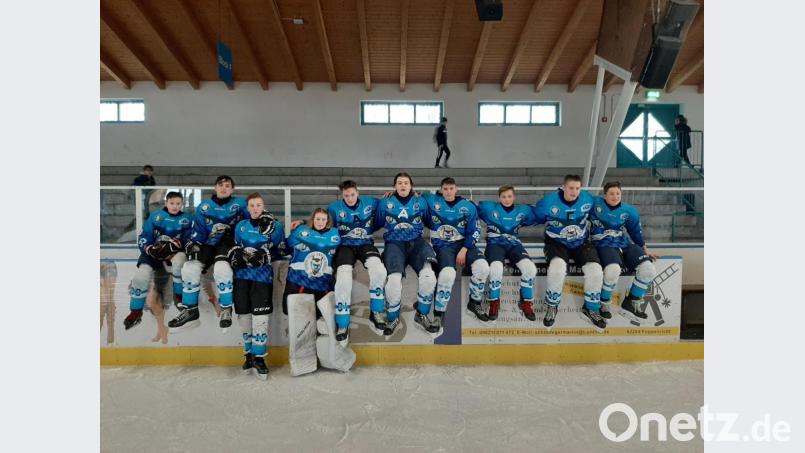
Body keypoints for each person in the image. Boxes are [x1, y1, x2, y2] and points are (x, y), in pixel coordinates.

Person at [169, 176, 248, 331]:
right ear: (215, 188)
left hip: (228, 244)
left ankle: (226, 309)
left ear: (232, 189)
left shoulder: (240, 204)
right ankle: (190, 310)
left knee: (222, 269)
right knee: (189, 268)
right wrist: (193, 243)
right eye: (221, 185)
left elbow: (255, 216)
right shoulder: (204, 206)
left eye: (227, 186)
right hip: (208, 244)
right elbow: (198, 231)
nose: (224, 188)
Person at [533, 175, 605, 330]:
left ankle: (591, 308)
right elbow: (533, 217)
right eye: (571, 188)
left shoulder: (587, 199)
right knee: (557, 269)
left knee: (596, 271)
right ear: (563, 187)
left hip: (581, 243)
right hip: (556, 243)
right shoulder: (548, 202)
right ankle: (552, 305)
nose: (574, 192)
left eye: (577, 188)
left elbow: (599, 214)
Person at [228, 193, 285, 379]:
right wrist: (235, 255)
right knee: (244, 318)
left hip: (262, 278)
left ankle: (260, 357)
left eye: (258, 205)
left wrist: (266, 255)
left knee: (260, 319)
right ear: (247, 207)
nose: (255, 208)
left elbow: (281, 248)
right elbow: (235, 247)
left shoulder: (274, 226)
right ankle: (248, 355)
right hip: (241, 278)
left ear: (263, 206)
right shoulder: (240, 226)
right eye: (252, 205)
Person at [421, 177, 489, 334]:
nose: (448, 192)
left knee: (483, 267)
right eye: (445, 189)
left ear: (456, 189)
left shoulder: (468, 206)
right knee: (447, 274)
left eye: (451, 188)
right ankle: (439, 314)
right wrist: (393, 193)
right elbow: (411, 197)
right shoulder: (432, 200)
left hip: (464, 245)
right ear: (441, 190)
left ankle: (474, 302)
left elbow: (475, 230)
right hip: (443, 245)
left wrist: (465, 249)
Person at [374, 173, 438, 336]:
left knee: (429, 277)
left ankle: (422, 314)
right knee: (393, 282)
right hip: (394, 244)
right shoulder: (385, 203)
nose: (403, 185)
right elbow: (375, 224)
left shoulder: (420, 202)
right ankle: (393, 317)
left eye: (406, 183)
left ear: (411, 186)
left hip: (417, 242)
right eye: (400, 183)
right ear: (394, 186)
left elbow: (431, 222)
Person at [324, 181, 387, 343]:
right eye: (346, 195)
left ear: (357, 192)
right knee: (344, 278)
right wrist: (302, 224)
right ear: (342, 195)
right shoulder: (334, 208)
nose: (350, 198)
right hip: (345, 246)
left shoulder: (371, 202)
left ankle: (376, 311)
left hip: (365, 244)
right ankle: (343, 322)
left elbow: (389, 204)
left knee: (379, 270)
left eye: (352, 194)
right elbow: (321, 222)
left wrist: (394, 195)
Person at [591, 181, 658, 324]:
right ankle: (604, 304)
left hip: (624, 243)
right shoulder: (594, 203)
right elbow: (575, 199)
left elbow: (635, 233)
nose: (615, 196)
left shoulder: (629, 211)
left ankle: (632, 300)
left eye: (618, 193)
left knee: (648, 269)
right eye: (611, 193)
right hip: (603, 243)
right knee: (612, 270)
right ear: (604, 195)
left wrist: (645, 250)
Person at [125, 191, 192, 330]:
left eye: (178, 203)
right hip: (154, 253)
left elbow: (191, 238)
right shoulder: (156, 216)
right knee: (140, 277)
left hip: (174, 253)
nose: (175, 206)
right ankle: (135, 312)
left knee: (180, 263)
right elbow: (145, 236)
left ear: (182, 204)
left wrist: (180, 243)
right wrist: (149, 248)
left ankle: (179, 297)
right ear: (166, 203)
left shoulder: (188, 218)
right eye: (172, 203)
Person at [477, 185, 538, 322]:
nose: (507, 199)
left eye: (509, 196)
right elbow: (468, 208)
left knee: (530, 269)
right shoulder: (489, 208)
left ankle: (526, 302)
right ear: (499, 198)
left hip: (514, 245)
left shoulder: (522, 210)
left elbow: (541, 213)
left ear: (514, 197)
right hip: (495, 244)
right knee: (496, 269)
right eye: (503, 196)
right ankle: (494, 302)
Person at [283, 208, 341, 318]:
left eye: (323, 219)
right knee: (294, 314)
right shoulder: (301, 231)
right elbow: (284, 248)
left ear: (327, 221)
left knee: (320, 316)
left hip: (322, 283)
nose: (320, 222)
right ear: (313, 219)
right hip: (298, 280)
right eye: (317, 219)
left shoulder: (335, 234)